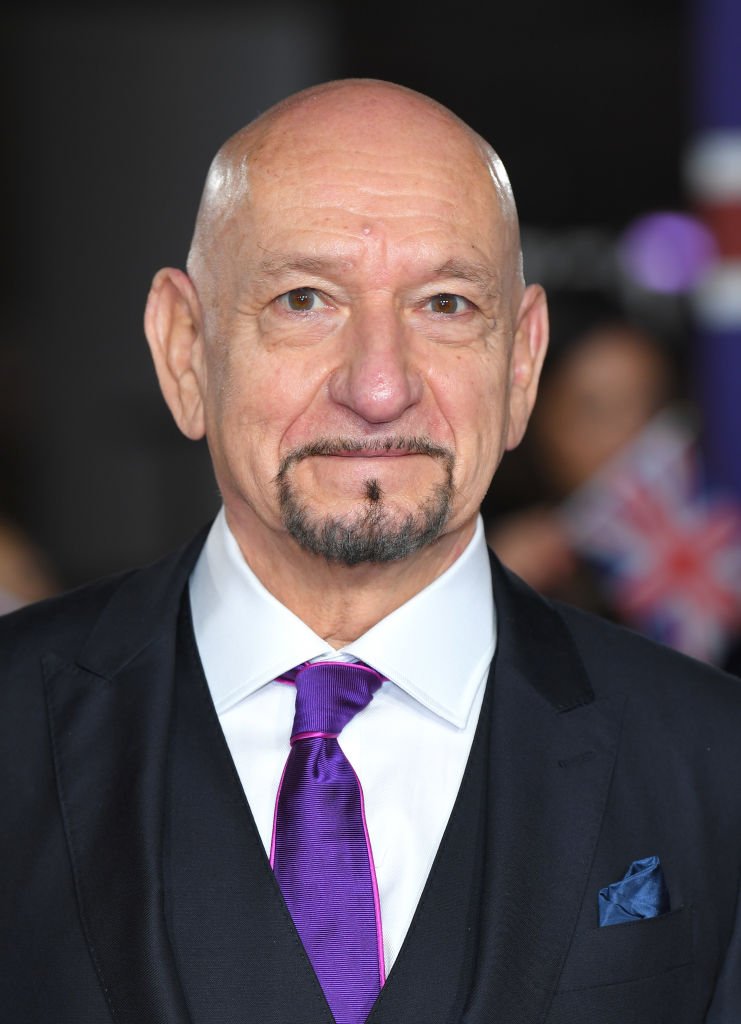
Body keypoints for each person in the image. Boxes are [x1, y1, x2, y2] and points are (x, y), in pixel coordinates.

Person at [1, 79, 740, 1024]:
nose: (380, 386)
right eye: (304, 299)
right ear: (185, 350)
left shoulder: (715, 767)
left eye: (444, 303)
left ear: (520, 363)